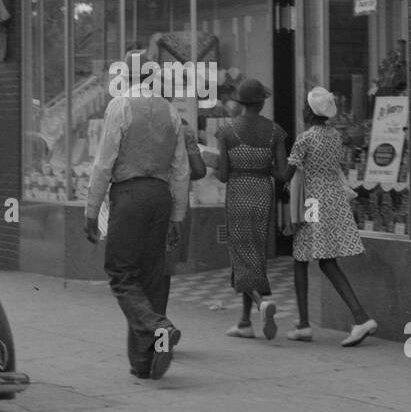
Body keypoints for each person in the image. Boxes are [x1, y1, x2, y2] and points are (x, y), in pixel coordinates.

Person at [84, 82, 189, 381]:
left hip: (129, 195)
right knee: (151, 280)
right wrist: (177, 216)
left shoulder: (121, 105)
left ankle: (159, 327)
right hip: (160, 194)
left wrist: (92, 211)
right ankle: (143, 362)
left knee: (121, 274)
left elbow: (104, 163)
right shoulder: (170, 111)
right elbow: (180, 169)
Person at [284, 86, 377, 346]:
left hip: (313, 202)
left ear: (310, 112)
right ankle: (304, 323)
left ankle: (359, 317)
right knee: (306, 257)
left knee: (316, 259)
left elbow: (287, 174)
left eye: (305, 106)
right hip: (332, 198)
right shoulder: (335, 136)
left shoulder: (305, 138)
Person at [215, 79, 288, 340]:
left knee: (240, 250)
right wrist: (264, 167)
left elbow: (222, 175)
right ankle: (244, 322)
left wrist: (215, 162)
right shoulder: (275, 131)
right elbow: (282, 173)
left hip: (237, 192)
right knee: (255, 252)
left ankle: (260, 304)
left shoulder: (226, 132)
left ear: (240, 103)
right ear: (262, 102)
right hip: (262, 193)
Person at [161, 116, 208, 314]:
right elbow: (199, 169)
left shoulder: (132, 119)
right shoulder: (183, 127)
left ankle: (144, 331)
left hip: (139, 198)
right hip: (174, 202)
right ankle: (158, 324)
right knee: (164, 271)